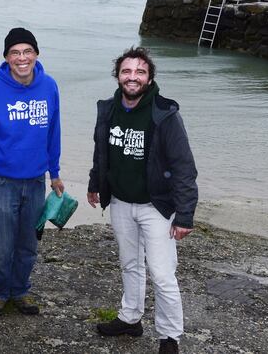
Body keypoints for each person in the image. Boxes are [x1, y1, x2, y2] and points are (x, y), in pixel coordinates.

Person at [87, 47, 198, 354]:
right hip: (121, 202)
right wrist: (95, 182)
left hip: (157, 207)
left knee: (162, 274)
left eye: (140, 72)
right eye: (126, 71)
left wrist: (185, 215)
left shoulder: (165, 114)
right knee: (130, 264)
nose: (132, 77)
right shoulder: (108, 109)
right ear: (118, 75)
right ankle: (130, 318)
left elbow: (184, 168)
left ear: (149, 78)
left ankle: (169, 337)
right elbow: (102, 151)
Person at [0, 27, 63, 316]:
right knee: (3, 243)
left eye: (27, 51)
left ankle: (20, 290)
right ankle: (0, 291)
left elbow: (53, 132)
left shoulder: (49, 86)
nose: (22, 58)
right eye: (15, 53)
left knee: (28, 243)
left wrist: (54, 172)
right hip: (1, 182)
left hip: (35, 181)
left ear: (36, 54)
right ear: (6, 57)